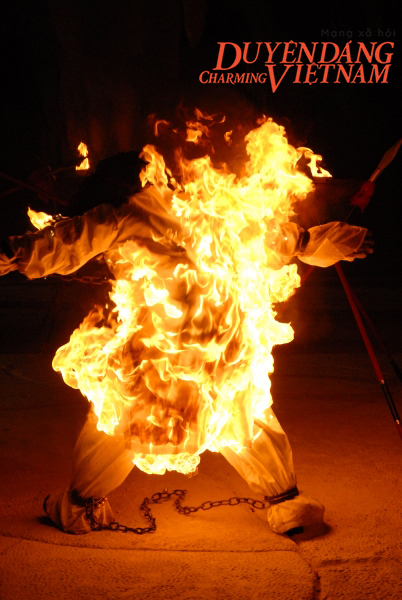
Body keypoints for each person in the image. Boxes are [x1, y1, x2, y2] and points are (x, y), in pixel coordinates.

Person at [0, 122, 373, 536]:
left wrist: (14, 254)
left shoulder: (193, 208)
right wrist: (319, 242)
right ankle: (286, 504)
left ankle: (78, 508)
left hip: (197, 351)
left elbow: (69, 240)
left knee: (144, 423)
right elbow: (280, 240)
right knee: (233, 418)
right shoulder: (188, 208)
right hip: (179, 351)